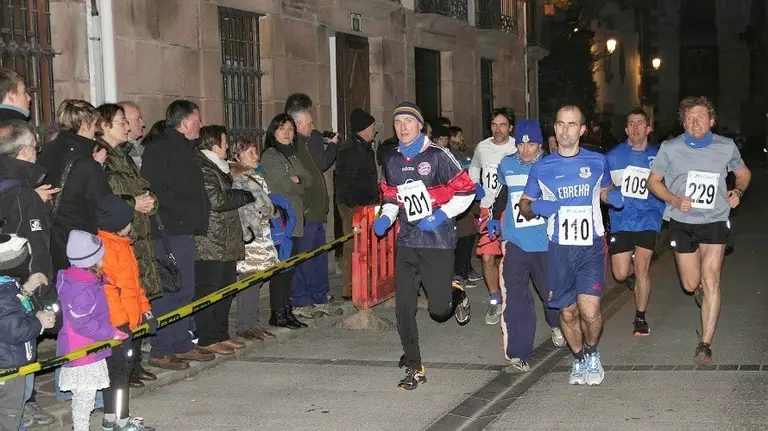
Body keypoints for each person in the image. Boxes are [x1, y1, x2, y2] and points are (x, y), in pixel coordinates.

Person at [519, 105, 623, 386]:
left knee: (589, 310)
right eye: (561, 124)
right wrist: (536, 207)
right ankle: (577, 357)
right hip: (559, 249)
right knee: (567, 311)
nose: (565, 130)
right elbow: (524, 204)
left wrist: (612, 196)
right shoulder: (542, 167)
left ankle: (592, 352)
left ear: (582, 130)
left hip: (591, 245)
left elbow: (605, 189)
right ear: (554, 128)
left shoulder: (598, 161)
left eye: (572, 124)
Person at [374, 102, 474, 390]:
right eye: (398, 123)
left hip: (437, 241)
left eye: (408, 121)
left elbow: (468, 191)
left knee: (438, 311)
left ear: (420, 126)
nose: (402, 127)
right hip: (408, 241)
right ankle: (415, 366)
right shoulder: (391, 160)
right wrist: (386, 217)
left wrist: (441, 215)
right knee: (403, 308)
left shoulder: (438, 156)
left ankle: (456, 293)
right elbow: (391, 198)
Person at [648, 96, 751, 364]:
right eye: (690, 118)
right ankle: (699, 290)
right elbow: (653, 182)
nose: (695, 122)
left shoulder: (726, 146)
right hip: (682, 222)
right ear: (683, 123)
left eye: (701, 117)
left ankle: (705, 345)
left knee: (712, 278)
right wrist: (674, 200)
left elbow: (743, 173)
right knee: (690, 283)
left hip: (715, 219)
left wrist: (738, 191)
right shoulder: (670, 148)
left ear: (712, 120)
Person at [140, 100, 215, 369]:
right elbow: (155, 189)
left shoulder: (186, 148)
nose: (200, 124)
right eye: (197, 119)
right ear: (184, 123)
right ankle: (161, 349)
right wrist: (185, 212)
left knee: (185, 289)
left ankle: (182, 343)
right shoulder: (159, 149)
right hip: (168, 230)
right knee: (168, 289)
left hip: (183, 229)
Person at [488, 119, 565, 372]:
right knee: (515, 298)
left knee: (551, 295)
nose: (525, 150)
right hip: (515, 242)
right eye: (521, 145)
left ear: (540, 144)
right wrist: (494, 218)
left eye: (531, 144)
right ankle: (517, 353)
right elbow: (502, 194)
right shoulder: (507, 164)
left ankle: (557, 324)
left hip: (546, 243)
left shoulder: (552, 166)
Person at [56, 230, 130, 431]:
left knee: (85, 398)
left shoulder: (82, 280)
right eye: (100, 257)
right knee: (84, 399)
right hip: (82, 348)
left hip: (87, 345)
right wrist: (110, 332)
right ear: (91, 260)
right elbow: (82, 322)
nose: (103, 261)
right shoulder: (83, 287)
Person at [96, 196, 155, 430]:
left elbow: (134, 286)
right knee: (119, 373)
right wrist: (120, 324)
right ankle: (120, 421)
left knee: (120, 371)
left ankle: (111, 418)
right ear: (119, 223)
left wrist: (146, 311)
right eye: (129, 221)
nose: (131, 224)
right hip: (118, 324)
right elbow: (108, 290)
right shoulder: (108, 249)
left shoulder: (122, 245)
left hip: (128, 320)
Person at [193, 126, 253, 355]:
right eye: (224, 142)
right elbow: (217, 200)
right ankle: (207, 337)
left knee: (226, 288)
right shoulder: (203, 167)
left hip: (226, 238)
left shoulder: (220, 167)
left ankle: (221, 334)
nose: (227, 146)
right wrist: (244, 195)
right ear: (213, 144)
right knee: (210, 289)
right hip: (211, 239)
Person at [605, 108, 666, 336]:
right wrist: (611, 192)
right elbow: (603, 187)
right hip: (621, 218)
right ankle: (630, 274)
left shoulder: (659, 156)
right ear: (626, 129)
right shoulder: (612, 157)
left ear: (648, 128)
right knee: (620, 274)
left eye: (640, 123)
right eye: (631, 123)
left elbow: (670, 184)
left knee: (642, 267)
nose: (635, 127)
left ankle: (640, 317)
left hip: (649, 216)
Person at [260, 113, 313, 329]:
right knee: (281, 269)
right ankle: (278, 313)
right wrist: (298, 183)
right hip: (281, 221)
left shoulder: (292, 156)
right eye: (282, 128)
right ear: (274, 132)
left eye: (291, 129)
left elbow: (308, 178)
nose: (287, 133)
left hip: (295, 219)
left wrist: (298, 180)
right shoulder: (270, 156)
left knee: (290, 268)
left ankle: (287, 309)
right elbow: (282, 185)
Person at [469, 107, 517, 324]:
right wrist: (476, 186)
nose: (498, 130)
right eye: (494, 125)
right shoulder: (483, 147)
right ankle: (495, 300)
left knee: (511, 257)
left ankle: (513, 298)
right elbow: (474, 168)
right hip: (487, 208)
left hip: (511, 209)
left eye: (503, 125)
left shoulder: (517, 147)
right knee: (488, 256)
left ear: (511, 128)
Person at [230, 139, 278, 340]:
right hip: (251, 238)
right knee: (249, 280)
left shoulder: (254, 177)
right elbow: (256, 207)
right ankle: (245, 324)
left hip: (261, 236)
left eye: (256, 152)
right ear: (238, 155)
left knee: (256, 280)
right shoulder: (240, 178)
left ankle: (252, 322)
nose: (256, 156)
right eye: (250, 153)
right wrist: (269, 210)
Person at [0, 273, 54, 431]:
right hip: (8, 367)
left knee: (13, 409)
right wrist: (39, 322)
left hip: (12, 360)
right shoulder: (4, 292)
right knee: (9, 414)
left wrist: (27, 289)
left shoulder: (7, 285)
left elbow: (13, 312)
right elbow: (15, 331)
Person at [336, 108, 379, 300]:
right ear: (364, 129)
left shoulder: (365, 147)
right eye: (372, 127)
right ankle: (349, 288)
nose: (375, 130)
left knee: (365, 247)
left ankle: (363, 285)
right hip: (354, 206)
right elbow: (344, 180)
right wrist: (353, 204)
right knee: (351, 247)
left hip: (366, 204)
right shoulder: (350, 149)